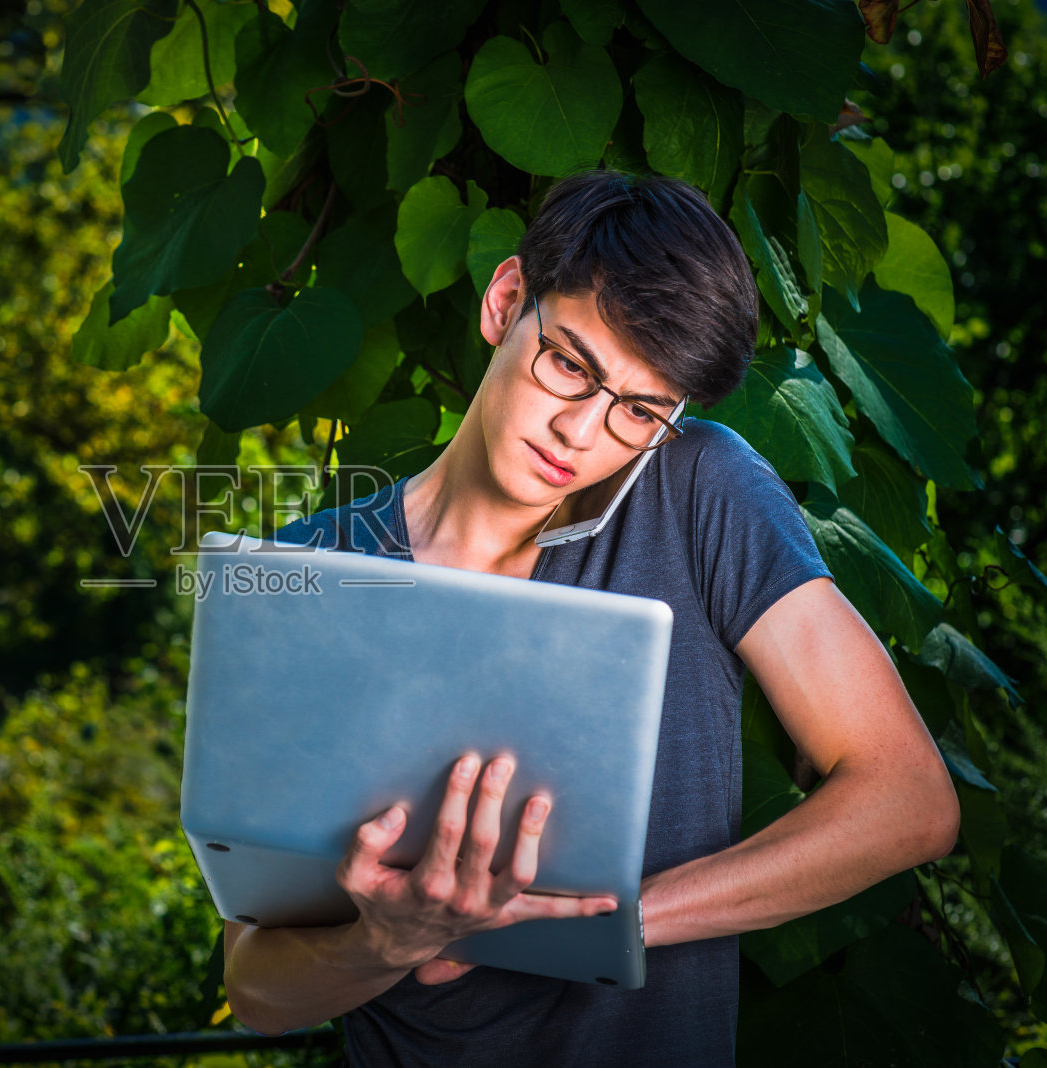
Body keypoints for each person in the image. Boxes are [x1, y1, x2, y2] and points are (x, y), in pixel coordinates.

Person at [223, 170, 960, 1066]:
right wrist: (388, 940)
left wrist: (595, 924)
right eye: (570, 364)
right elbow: (258, 990)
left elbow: (908, 801)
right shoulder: (309, 574)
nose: (582, 433)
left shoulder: (700, 488)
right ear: (505, 301)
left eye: (640, 410)